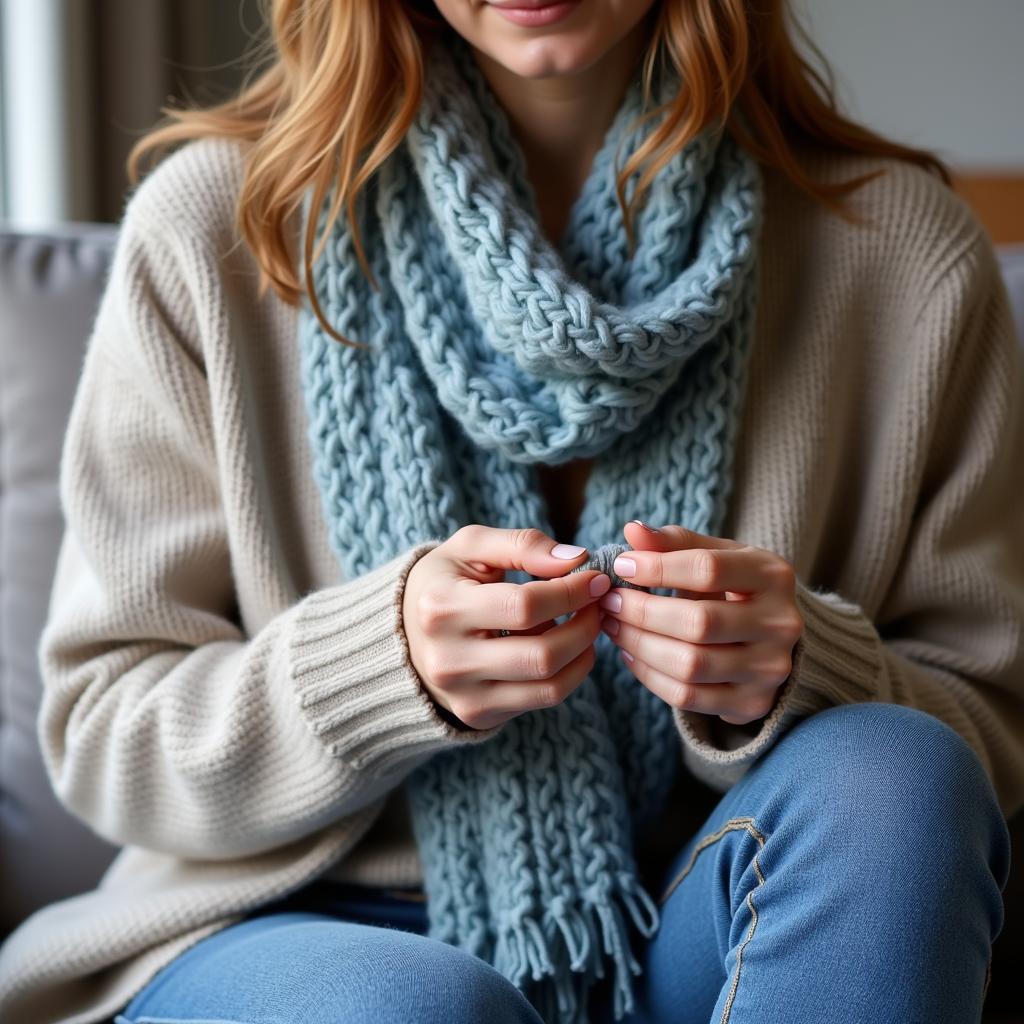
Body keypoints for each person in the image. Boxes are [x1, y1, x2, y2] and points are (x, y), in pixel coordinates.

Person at [0, 0, 1021, 1021]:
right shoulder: (215, 226)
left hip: (712, 927)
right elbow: (104, 730)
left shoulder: (898, 253)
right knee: (420, 1011)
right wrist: (375, 665)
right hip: (279, 934)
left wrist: (799, 673)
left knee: (899, 777)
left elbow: (992, 728)